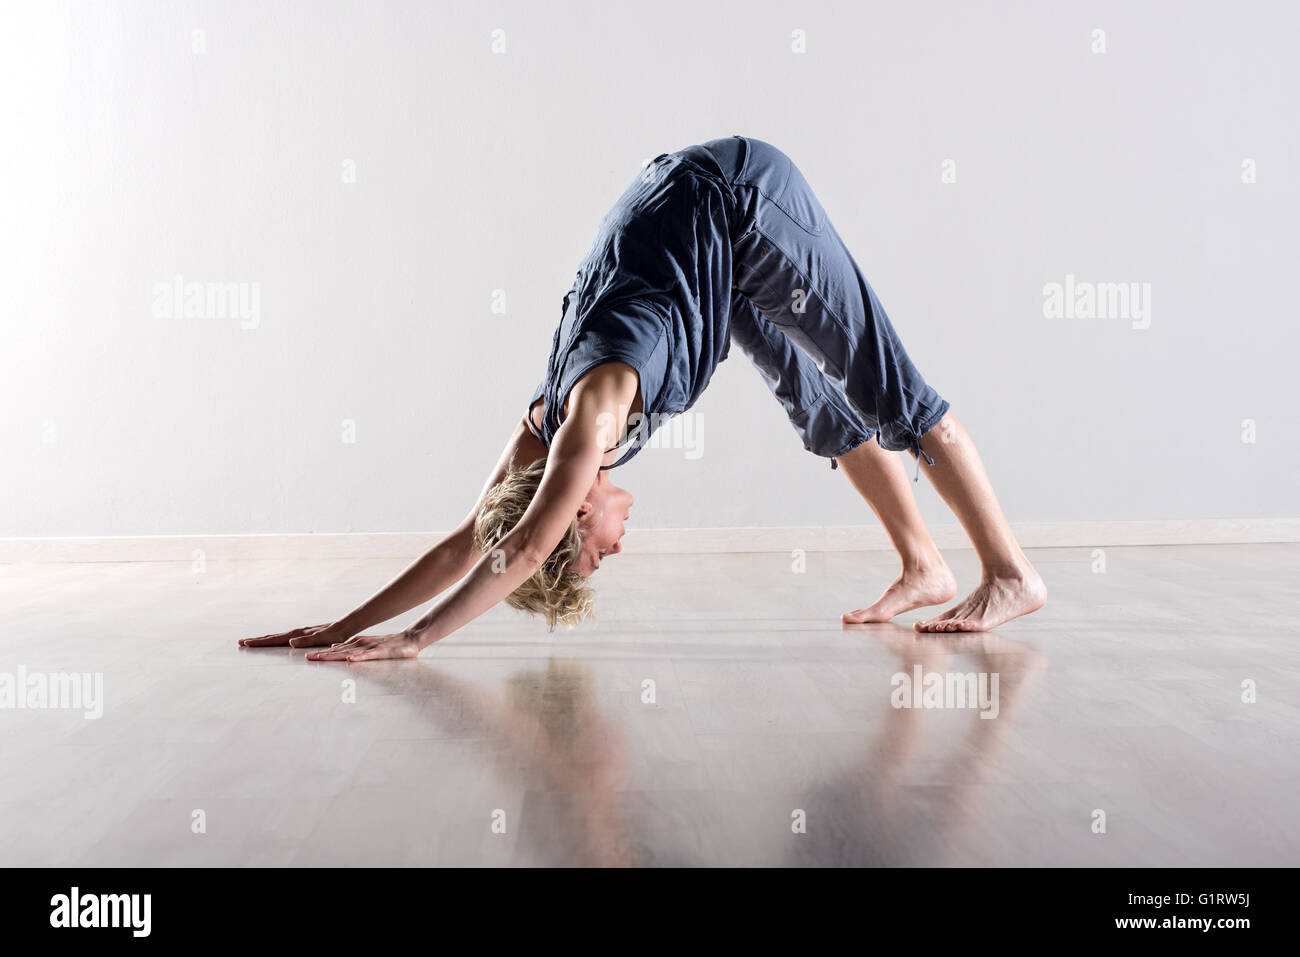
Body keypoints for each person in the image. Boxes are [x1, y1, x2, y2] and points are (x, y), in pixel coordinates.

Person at [240, 136, 1045, 662]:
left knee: (888, 389)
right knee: (811, 400)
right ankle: (925, 561)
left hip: (740, 204)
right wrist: (344, 623)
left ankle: (1009, 572)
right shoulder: (543, 429)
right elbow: (472, 538)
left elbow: (518, 549)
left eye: (592, 553)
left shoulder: (587, 422)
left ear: (573, 512)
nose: (615, 552)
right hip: (693, 235)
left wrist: (414, 640)